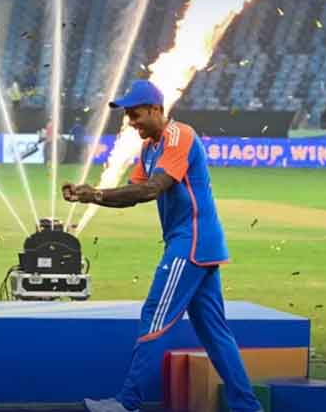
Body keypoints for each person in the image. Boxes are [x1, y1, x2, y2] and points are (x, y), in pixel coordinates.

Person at [61, 80, 263, 412]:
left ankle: (128, 402)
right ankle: (247, 407)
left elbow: (152, 189)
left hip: (190, 242)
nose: (131, 122)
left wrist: (95, 194)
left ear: (156, 109)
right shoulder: (149, 148)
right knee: (215, 333)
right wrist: (91, 195)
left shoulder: (179, 136)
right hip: (198, 244)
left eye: (135, 114)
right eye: (128, 115)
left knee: (155, 315)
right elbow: (132, 194)